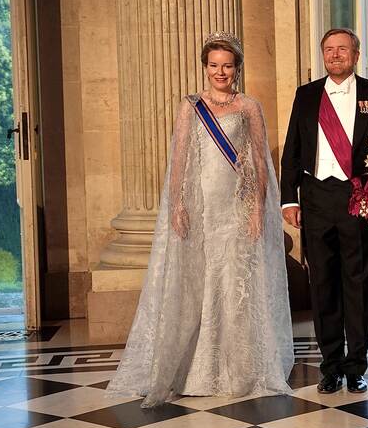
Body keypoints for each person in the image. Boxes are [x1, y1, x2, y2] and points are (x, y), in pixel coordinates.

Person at [107, 32, 294, 407]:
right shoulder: (190, 106)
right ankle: (196, 369)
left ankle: (239, 370)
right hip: (202, 210)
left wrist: (258, 208)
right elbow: (179, 160)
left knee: (234, 286)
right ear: (205, 68)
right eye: (213, 65)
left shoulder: (249, 107)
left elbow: (259, 162)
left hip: (238, 210)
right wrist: (177, 204)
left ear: (237, 68)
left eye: (227, 65)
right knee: (199, 284)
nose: (220, 72)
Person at [281, 28, 368, 394]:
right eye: (329, 50)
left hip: (360, 199)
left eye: (343, 49)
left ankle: (356, 367)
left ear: (356, 54)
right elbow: (292, 150)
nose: (335, 55)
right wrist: (290, 198)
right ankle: (330, 367)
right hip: (316, 199)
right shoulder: (306, 95)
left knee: (358, 285)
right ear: (323, 55)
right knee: (323, 286)